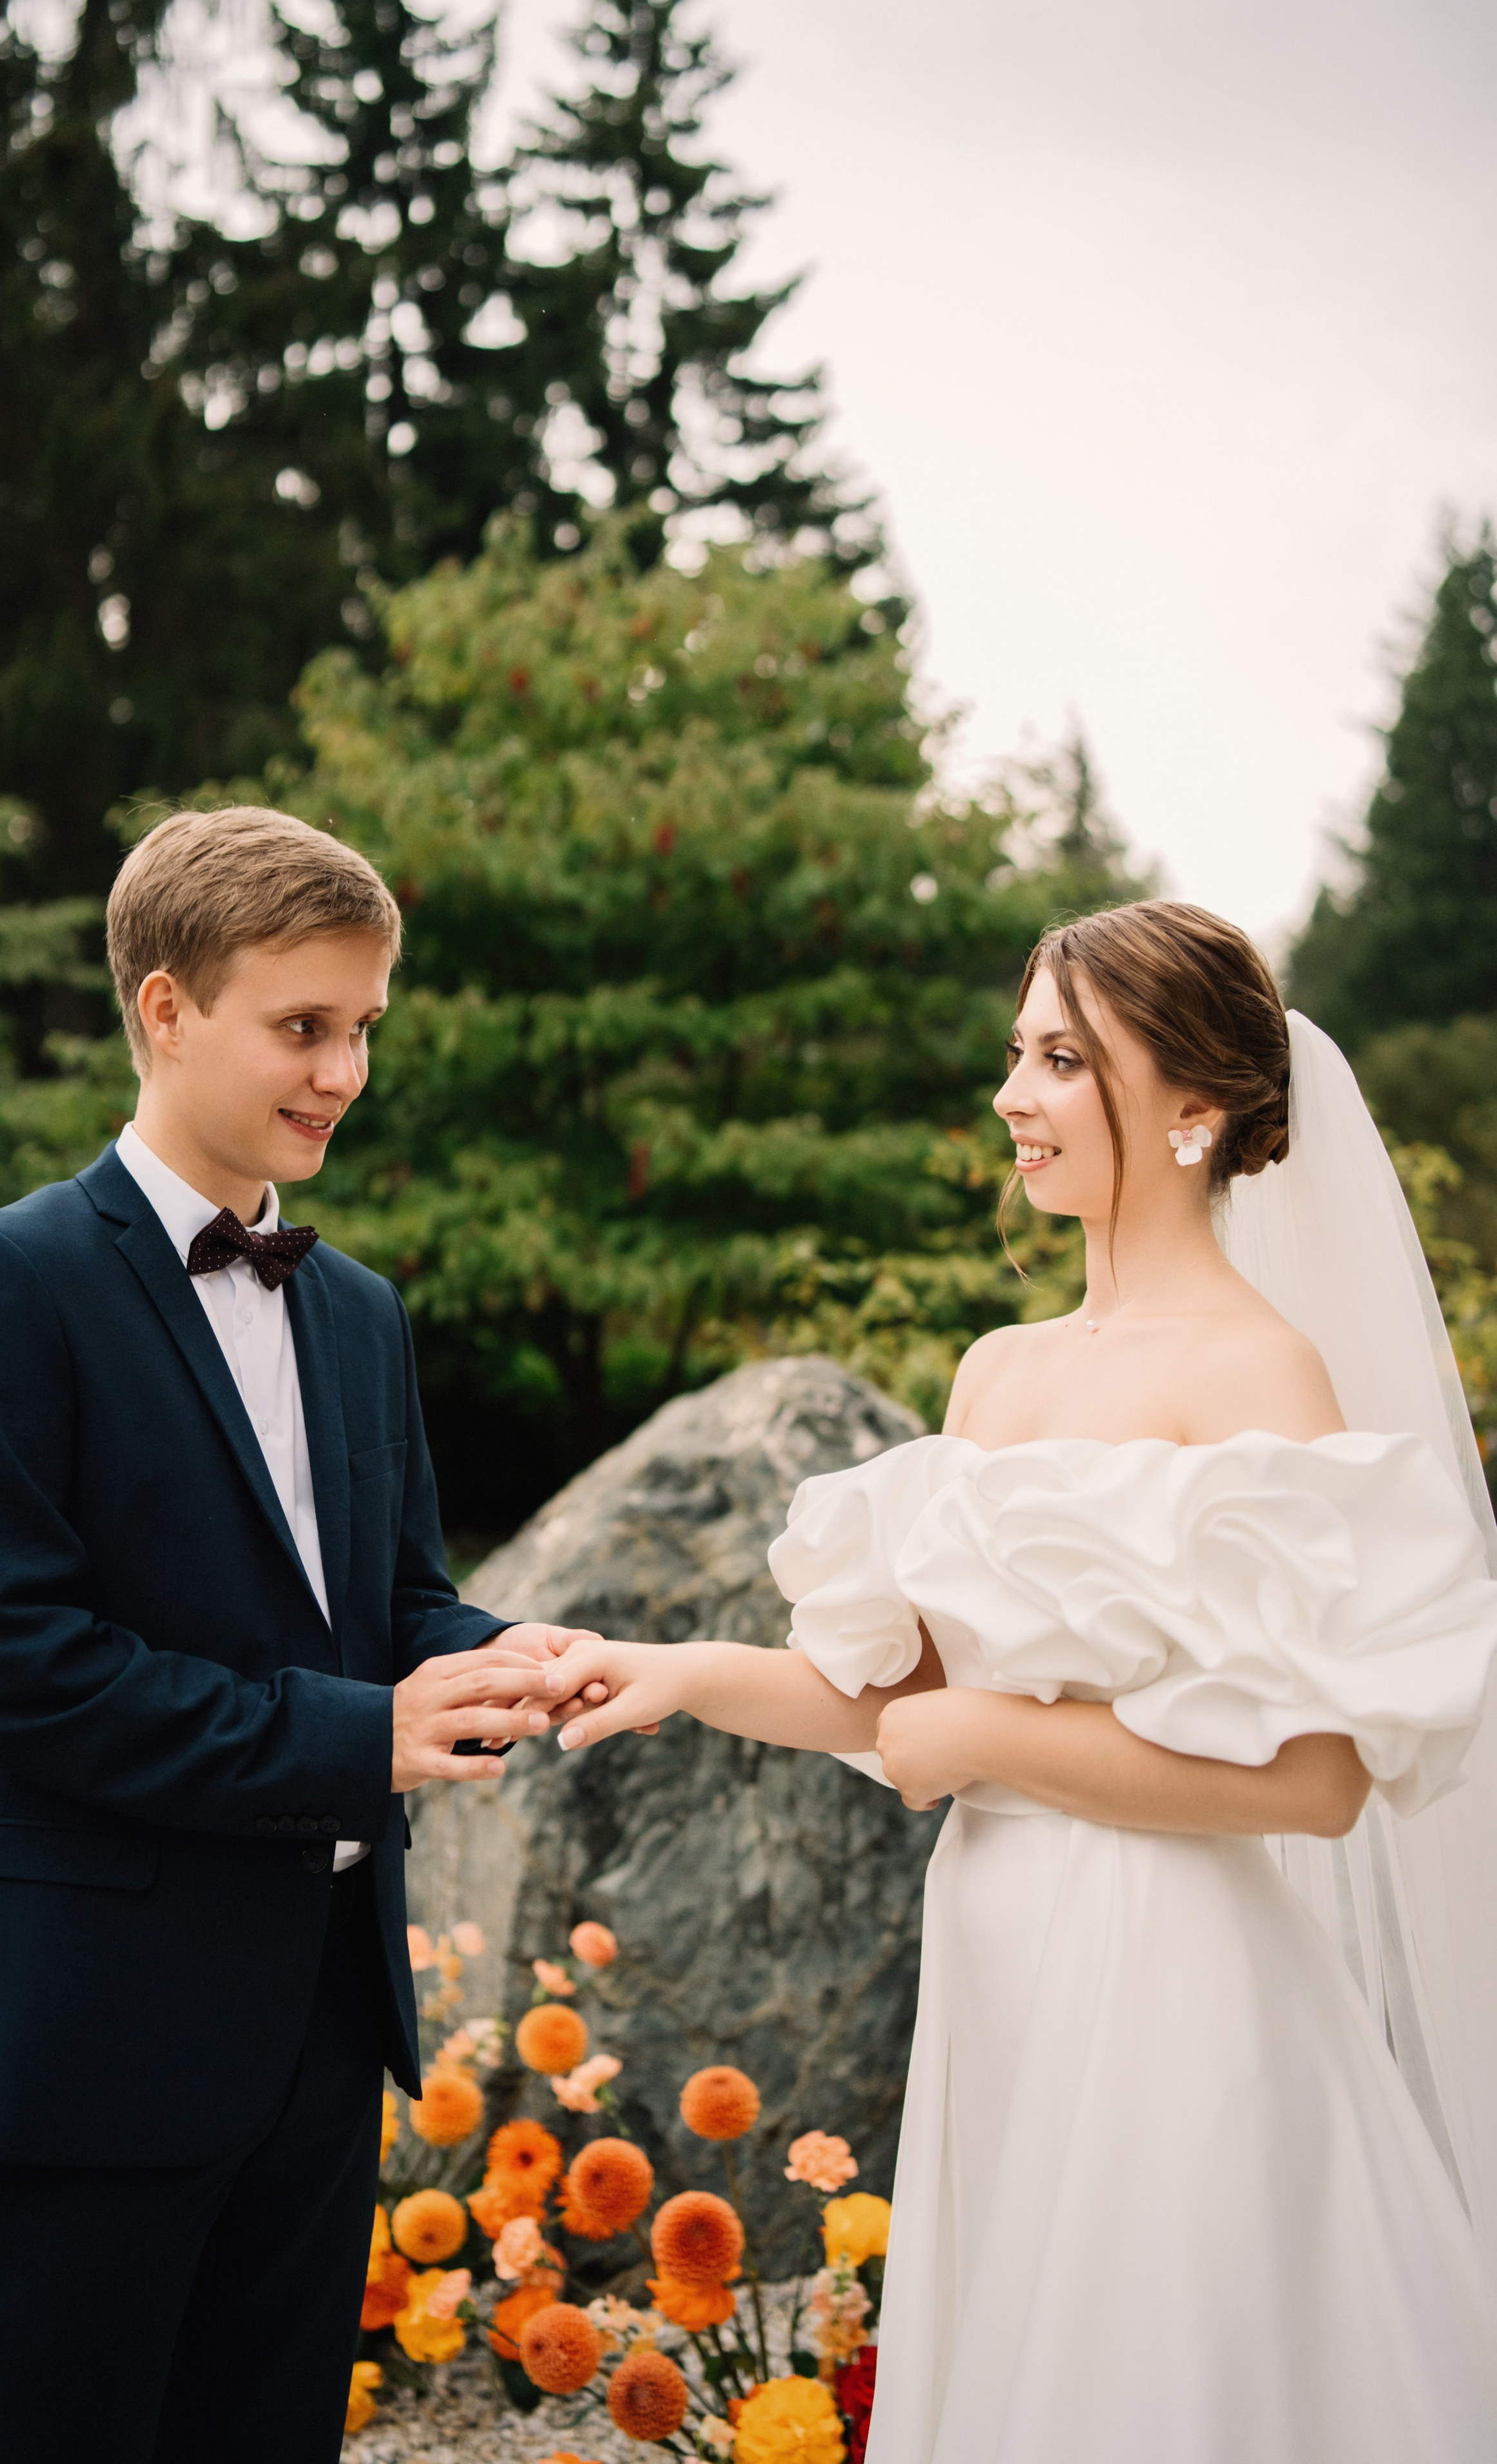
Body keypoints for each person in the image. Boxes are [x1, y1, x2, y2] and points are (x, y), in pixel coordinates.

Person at [547, 901, 1497, 2459]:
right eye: (1015, 1054)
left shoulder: (1256, 1374)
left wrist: (999, 1734)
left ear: (1192, 1107)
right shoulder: (996, 1368)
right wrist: (673, 1670)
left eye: (1061, 1060)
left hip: (1171, 1980)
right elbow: (887, 1706)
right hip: (997, 1961)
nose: (1011, 1097)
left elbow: (1319, 1788)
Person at [0, 806, 591, 2464]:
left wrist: (513, 1656)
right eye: (303, 1027)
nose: (342, 1071)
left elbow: (390, 1607)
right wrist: (357, 1738)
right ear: (164, 1009)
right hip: (86, 2034)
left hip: (319, 2041)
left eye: (361, 1032)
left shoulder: (357, 1311)